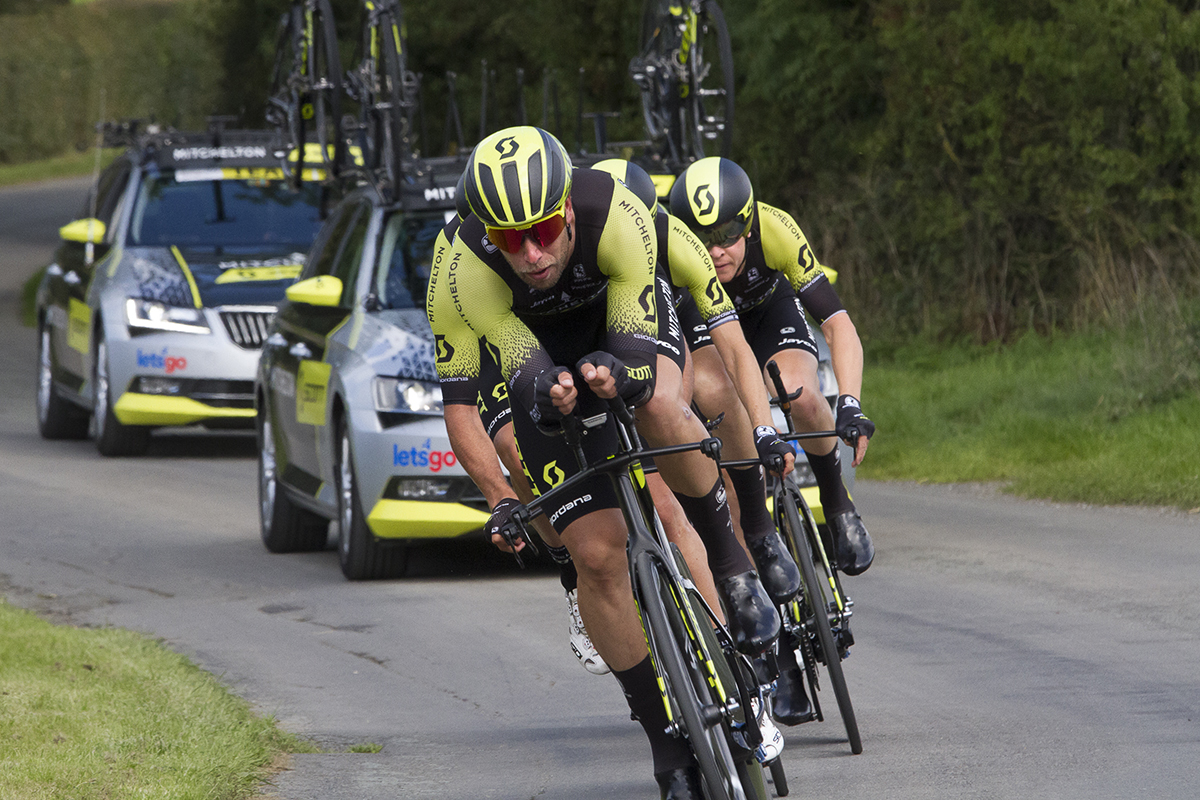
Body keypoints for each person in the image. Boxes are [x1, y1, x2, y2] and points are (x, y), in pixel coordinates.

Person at [445, 126, 776, 798]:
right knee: (596, 553)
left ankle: (731, 563)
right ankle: (664, 738)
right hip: (528, 345)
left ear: (566, 209)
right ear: (488, 236)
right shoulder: (460, 271)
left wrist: (619, 378)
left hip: (614, 321)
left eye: (542, 229)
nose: (532, 254)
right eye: (512, 240)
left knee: (656, 407)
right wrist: (499, 498)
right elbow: (474, 400)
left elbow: (635, 352)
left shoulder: (617, 213)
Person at [670, 157, 876, 726]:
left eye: (729, 236)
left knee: (805, 397)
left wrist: (851, 403)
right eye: (702, 239)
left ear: (750, 224)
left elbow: (838, 324)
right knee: (736, 477)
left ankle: (836, 503)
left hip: (767, 318)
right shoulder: (676, 260)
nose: (717, 252)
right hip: (711, 333)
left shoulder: (778, 230)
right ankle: (779, 657)